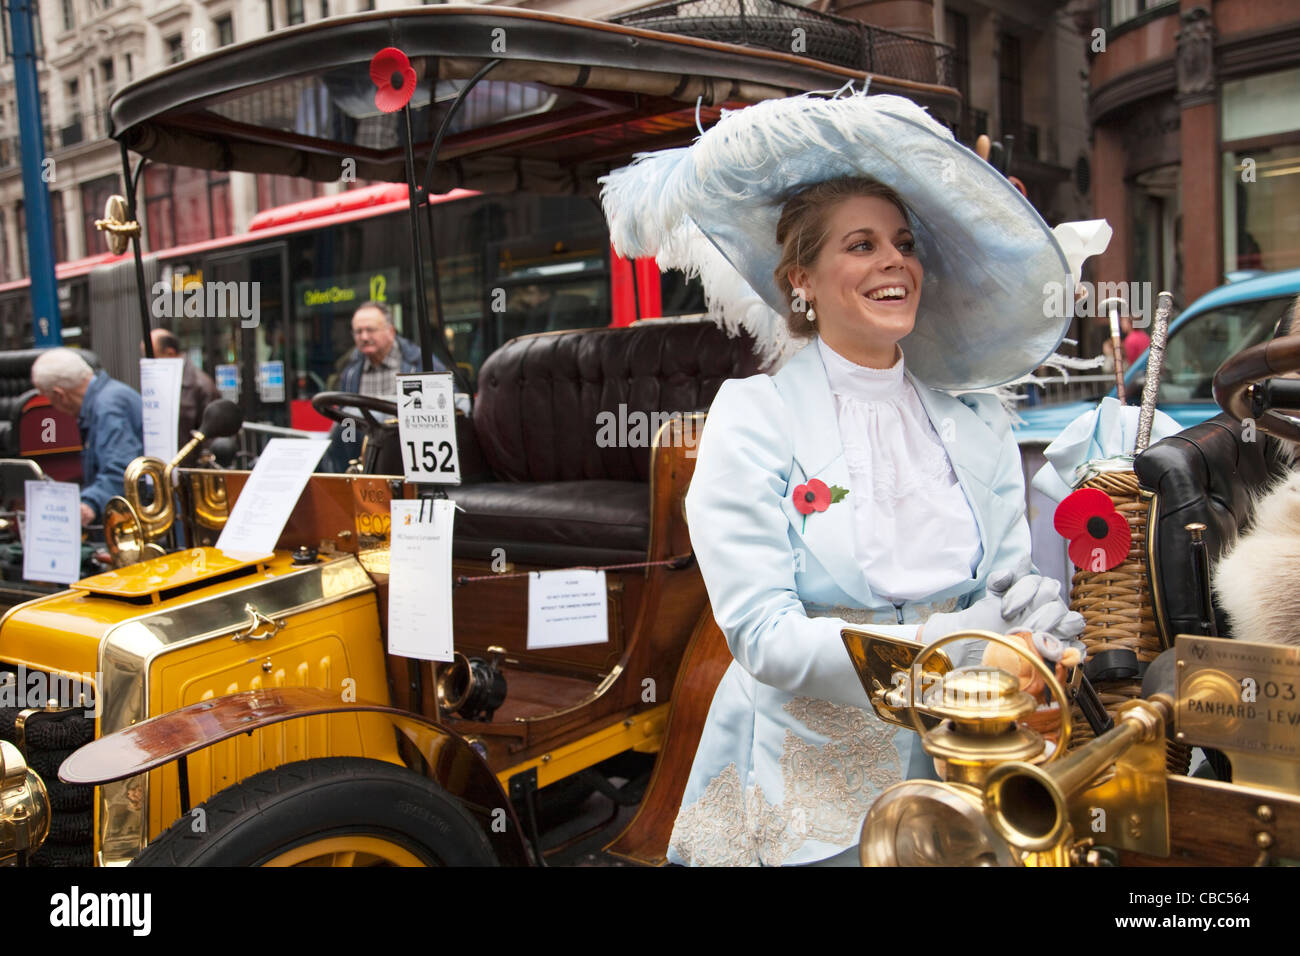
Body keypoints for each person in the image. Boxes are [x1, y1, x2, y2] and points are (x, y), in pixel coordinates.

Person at [601, 91, 1097, 866]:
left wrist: (1034, 614)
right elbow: (766, 638)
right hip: (814, 791)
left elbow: (1005, 582)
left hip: (972, 762)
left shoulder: (977, 420)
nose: (893, 260)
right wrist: (956, 648)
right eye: (860, 245)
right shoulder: (754, 415)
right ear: (801, 279)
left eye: (902, 243)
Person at [31, 348, 143, 528]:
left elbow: (122, 467)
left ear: (60, 395)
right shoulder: (109, 396)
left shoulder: (108, 408)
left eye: (51, 400)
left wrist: (90, 503)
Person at [148, 328, 221, 440]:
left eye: (152, 357)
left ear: (170, 353)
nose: (147, 363)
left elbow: (212, 436)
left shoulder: (201, 385)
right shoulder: (159, 383)